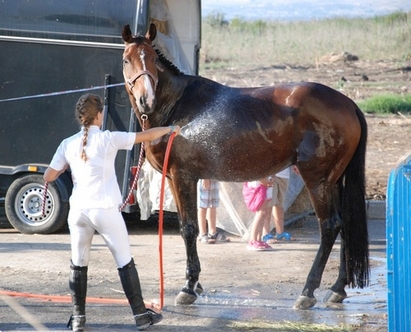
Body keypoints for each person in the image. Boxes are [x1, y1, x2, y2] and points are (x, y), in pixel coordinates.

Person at [43, 94, 181, 331]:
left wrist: (68, 165)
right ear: (100, 115)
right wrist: (170, 128)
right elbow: (145, 136)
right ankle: (140, 315)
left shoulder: (67, 144)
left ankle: (78, 319)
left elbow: (49, 176)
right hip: (104, 209)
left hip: (78, 212)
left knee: (78, 263)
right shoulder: (108, 138)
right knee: (124, 261)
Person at [262, 166, 298, 243]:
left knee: (280, 205)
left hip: (284, 174)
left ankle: (280, 233)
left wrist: (295, 164)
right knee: (268, 205)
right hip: (271, 173)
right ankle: (265, 234)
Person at [245, 176, 274, 251]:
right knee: (260, 213)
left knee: (264, 212)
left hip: (266, 183)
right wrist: (268, 181)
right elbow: (262, 176)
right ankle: (253, 240)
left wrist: (271, 179)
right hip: (259, 186)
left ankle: (258, 239)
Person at [197, 179, 229, 243]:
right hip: (205, 177)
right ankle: (202, 233)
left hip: (214, 178)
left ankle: (212, 233)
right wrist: (205, 177)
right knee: (203, 205)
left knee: (213, 205)